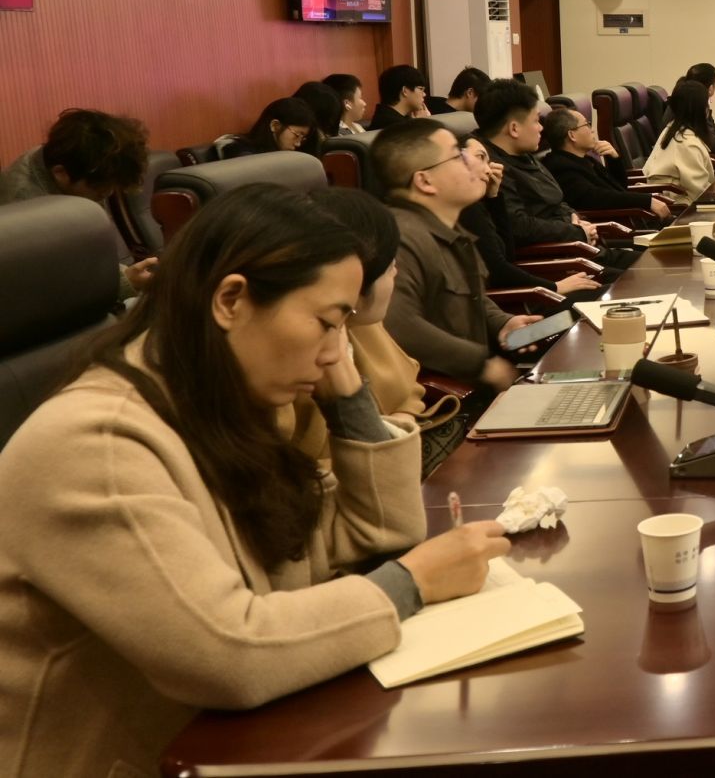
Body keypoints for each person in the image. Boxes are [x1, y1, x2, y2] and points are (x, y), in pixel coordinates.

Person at [0, 185, 508, 777]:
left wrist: (348, 395)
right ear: (231, 300)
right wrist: (413, 583)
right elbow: (228, 654)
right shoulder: (98, 443)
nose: (335, 352)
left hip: (229, 742)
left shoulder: (220, 408)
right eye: (326, 323)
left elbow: (374, 534)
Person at [288, 188, 461, 470]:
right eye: (390, 265)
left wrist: (400, 424)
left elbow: (408, 389)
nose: (396, 273)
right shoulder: (290, 360)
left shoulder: (362, 323)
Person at [373, 120, 548, 389]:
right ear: (425, 181)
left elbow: (469, 296)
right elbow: (398, 325)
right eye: (458, 157)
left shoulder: (447, 226)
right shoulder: (400, 238)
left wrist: (503, 322)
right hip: (448, 398)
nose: (473, 166)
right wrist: (481, 364)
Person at [0, 108, 157, 293]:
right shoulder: (25, 212)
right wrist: (125, 282)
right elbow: (51, 291)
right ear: (60, 173)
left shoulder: (66, 161)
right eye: (100, 187)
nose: (107, 193)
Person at [457, 135, 602, 298]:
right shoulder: (467, 209)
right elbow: (498, 271)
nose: (489, 170)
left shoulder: (479, 204)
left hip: (524, 292)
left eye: (488, 161)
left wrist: (494, 198)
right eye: (480, 157)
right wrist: (555, 287)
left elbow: (508, 255)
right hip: (515, 300)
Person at [475, 79, 605, 253]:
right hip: (557, 258)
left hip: (575, 244)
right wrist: (575, 231)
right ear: (514, 129)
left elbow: (557, 199)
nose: (541, 128)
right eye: (536, 121)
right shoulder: (493, 170)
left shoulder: (523, 154)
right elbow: (520, 227)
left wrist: (573, 217)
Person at [542, 107, 672, 219]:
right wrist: (646, 201)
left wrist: (614, 159)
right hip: (612, 228)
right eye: (587, 124)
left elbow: (619, 187)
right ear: (572, 135)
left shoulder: (583, 159)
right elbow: (597, 197)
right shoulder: (561, 168)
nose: (592, 130)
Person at [644, 79, 715, 204]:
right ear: (700, 109)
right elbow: (700, 194)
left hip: (669, 198)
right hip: (679, 206)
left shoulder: (671, 129)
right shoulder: (688, 143)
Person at [220, 97, 321, 158]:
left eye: (303, 139)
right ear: (275, 126)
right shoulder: (238, 150)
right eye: (297, 135)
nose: (298, 144)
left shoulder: (285, 156)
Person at [370, 65, 428, 130]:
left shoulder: (386, 117)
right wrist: (422, 123)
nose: (424, 94)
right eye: (420, 89)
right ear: (405, 91)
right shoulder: (394, 125)